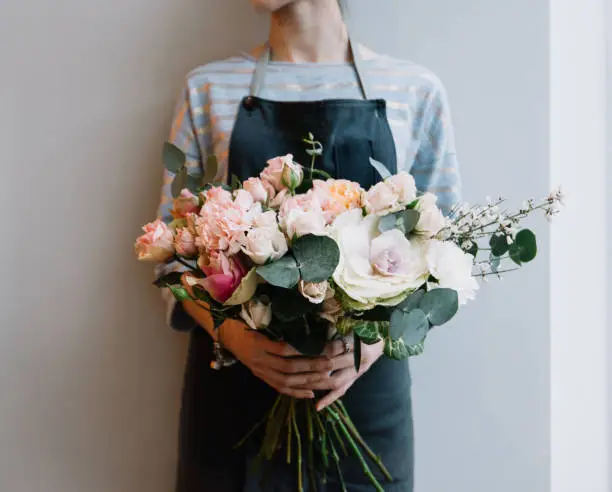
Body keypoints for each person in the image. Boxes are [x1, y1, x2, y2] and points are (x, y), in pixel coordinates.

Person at [155, 1, 461, 490]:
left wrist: (371, 346)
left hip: (366, 407)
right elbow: (172, 258)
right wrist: (238, 340)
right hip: (235, 403)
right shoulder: (209, 90)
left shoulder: (413, 91)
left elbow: (447, 258)